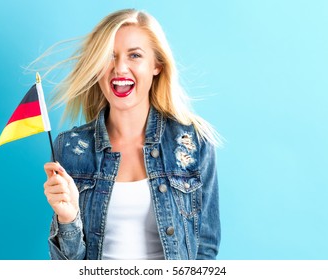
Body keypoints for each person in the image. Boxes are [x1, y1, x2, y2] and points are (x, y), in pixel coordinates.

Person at [42, 8, 221, 260]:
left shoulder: (192, 143)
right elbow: (67, 267)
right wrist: (68, 217)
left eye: (134, 55)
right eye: (109, 56)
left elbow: (206, 249)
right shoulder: (71, 147)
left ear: (156, 65)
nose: (120, 68)